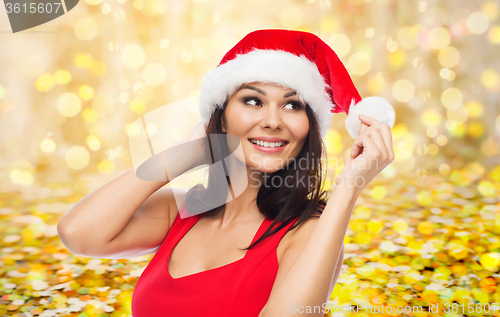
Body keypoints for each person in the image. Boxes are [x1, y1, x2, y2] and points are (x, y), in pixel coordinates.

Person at [57, 29, 396, 317]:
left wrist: (349, 187)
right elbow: (78, 232)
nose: (273, 121)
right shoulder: (182, 211)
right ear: (219, 114)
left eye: (293, 105)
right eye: (253, 101)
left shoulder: (304, 233)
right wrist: (194, 148)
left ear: (310, 127)